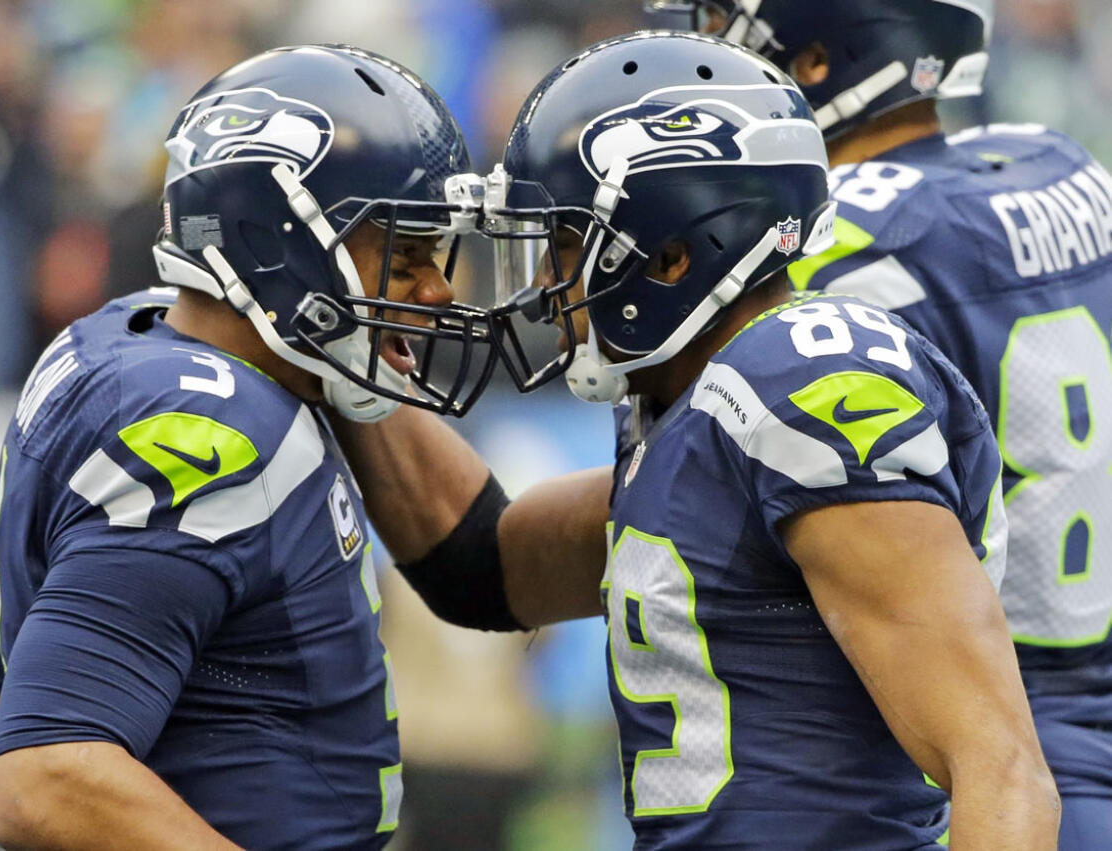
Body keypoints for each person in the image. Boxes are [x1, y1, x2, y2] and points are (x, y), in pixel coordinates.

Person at [329, 31, 1060, 849]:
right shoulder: (688, 404)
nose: (543, 285)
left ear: (674, 255)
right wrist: (341, 345)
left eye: (565, 245)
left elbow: (1000, 765)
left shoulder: (802, 389)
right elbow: (484, 568)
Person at [0, 44, 498, 850]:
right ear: (276, 246)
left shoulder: (131, 335)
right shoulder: (208, 436)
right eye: (405, 256)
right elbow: (43, 773)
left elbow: (12, 695)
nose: (437, 291)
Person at [678, 2, 1112, 846]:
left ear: (813, 59)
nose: (703, 50)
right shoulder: (1061, 163)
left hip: (983, 763)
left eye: (729, 23)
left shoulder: (832, 249)